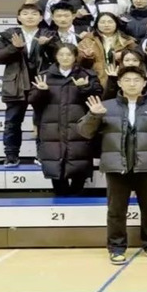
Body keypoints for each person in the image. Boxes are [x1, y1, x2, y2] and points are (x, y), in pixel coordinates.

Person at [77, 67, 147, 265]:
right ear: (119, 83)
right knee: (116, 211)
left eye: (136, 80)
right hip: (117, 166)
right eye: (127, 80)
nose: (132, 84)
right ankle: (116, 248)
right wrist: (93, 116)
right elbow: (84, 132)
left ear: (144, 83)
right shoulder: (105, 106)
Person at [29, 44, 103, 196]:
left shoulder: (87, 74)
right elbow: (34, 102)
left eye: (69, 55)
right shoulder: (44, 75)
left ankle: (77, 195)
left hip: (79, 127)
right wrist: (41, 92)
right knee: (55, 164)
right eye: (61, 54)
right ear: (56, 56)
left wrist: (85, 88)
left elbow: (97, 98)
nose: (65, 58)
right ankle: (60, 195)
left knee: (79, 162)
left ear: (75, 57)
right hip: (52, 128)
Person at [0, 3, 54, 168]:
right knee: (12, 122)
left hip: (41, 83)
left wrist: (49, 45)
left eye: (34, 13)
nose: (30, 16)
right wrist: (14, 48)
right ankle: (11, 155)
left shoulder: (49, 34)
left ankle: (42, 154)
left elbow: (62, 55)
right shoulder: (9, 35)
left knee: (43, 122)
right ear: (19, 17)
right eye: (25, 13)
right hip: (16, 83)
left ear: (41, 17)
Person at [77, 12, 138, 91]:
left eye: (110, 22)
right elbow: (80, 64)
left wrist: (124, 55)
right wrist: (87, 57)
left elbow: (138, 58)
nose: (106, 25)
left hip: (122, 79)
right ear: (97, 24)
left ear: (116, 23)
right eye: (102, 22)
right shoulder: (87, 41)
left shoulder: (127, 41)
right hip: (96, 81)